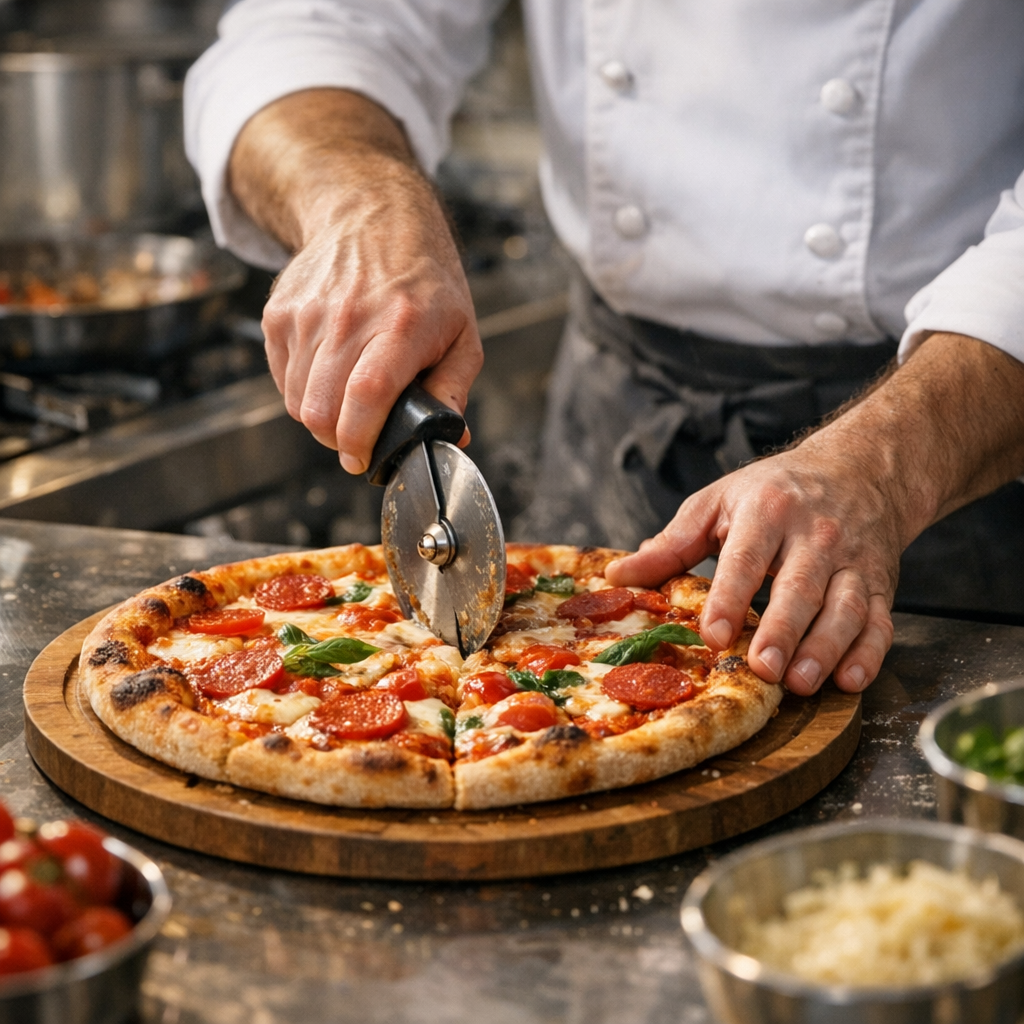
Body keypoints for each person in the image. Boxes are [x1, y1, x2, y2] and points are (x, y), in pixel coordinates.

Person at [184, 1, 1024, 698]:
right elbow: (320, 23)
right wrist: (354, 197)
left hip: (959, 426)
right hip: (620, 403)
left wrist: (887, 467)